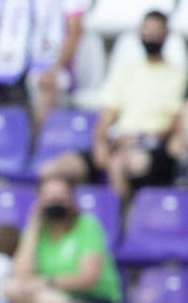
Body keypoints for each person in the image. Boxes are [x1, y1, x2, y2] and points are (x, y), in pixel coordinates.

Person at [37, 11, 187, 204]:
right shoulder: (126, 71)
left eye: (156, 31)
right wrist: (100, 143)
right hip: (116, 143)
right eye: (147, 30)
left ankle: (118, 226)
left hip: (152, 146)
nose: (151, 36)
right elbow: (107, 115)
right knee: (51, 170)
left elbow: (174, 125)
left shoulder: (178, 75)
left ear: (166, 34)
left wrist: (136, 138)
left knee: (117, 165)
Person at [5, 176, 123, 303]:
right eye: (49, 198)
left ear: (71, 200)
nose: (55, 202)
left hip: (95, 300)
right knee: (13, 289)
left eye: (60, 197)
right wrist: (33, 228)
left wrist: (46, 282)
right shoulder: (36, 231)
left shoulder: (87, 226)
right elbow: (21, 275)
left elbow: (88, 278)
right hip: (49, 299)